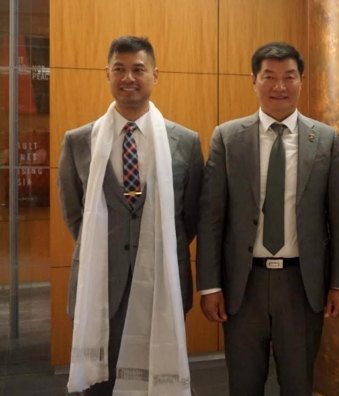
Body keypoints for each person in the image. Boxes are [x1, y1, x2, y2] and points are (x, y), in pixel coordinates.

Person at [196, 41, 339, 395]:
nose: (279, 86)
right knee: (244, 384)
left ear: (301, 81)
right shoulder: (227, 138)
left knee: (298, 384)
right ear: (253, 80)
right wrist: (210, 285)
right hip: (243, 284)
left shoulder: (326, 140)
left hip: (302, 285)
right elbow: (211, 218)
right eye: (269, 76)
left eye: (289, 77)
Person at [58, 35, 203, 395]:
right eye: (119, 69)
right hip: (100, 280)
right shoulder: (79, 141)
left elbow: (192, 214)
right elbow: (74, 212)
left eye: (138, 69)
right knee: (101, 384)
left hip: (162, 280)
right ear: (106, 74)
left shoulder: (185, 142)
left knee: (156, 378)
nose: (128, 78)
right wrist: (102, 248)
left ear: (156, 75)